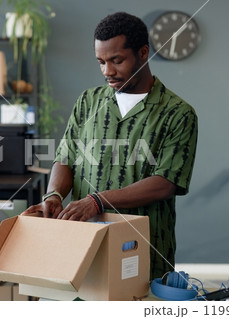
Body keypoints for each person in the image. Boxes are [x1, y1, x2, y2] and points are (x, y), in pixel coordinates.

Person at [22, 12, 198, 280]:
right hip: (83, 243)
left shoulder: (178, 113)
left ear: (143, 52)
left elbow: (166, 182)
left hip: (143, 249)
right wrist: (54, 195)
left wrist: (97, 200)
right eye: (101, 62)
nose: (108, 71)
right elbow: (64, 158)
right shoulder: (88, 101)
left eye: (117, 60)